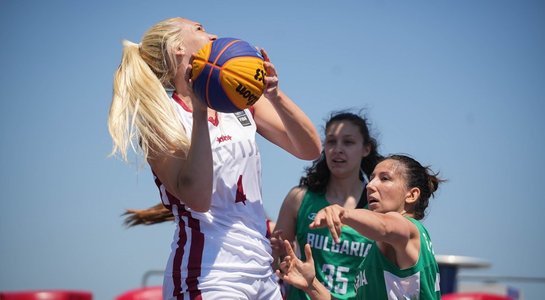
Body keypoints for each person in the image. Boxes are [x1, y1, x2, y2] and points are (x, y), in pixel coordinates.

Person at [108, 17, 321, 300]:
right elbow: (198, 198)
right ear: (178, 48)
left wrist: (275, 95)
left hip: (261, 268)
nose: (213, 35)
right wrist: (199, 111)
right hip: (208, 272)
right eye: (199, 29)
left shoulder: (239, 102)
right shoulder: (163, 121)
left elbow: (309, 149)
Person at [277, 154, 444, 300]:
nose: (371, 185)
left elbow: (385, 225)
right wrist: (311, 284)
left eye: (385, 178)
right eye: (371, 178)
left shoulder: (407, 228)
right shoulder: (375, 253)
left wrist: (342, 213)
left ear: (412, 195)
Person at [271, 111, 383, 299]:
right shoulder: (298, 198)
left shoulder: (379, 207)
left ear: (366, 149)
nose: (337, 149)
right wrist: (279, 256)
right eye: (331, 142)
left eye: (348, 142)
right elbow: (275, 266)